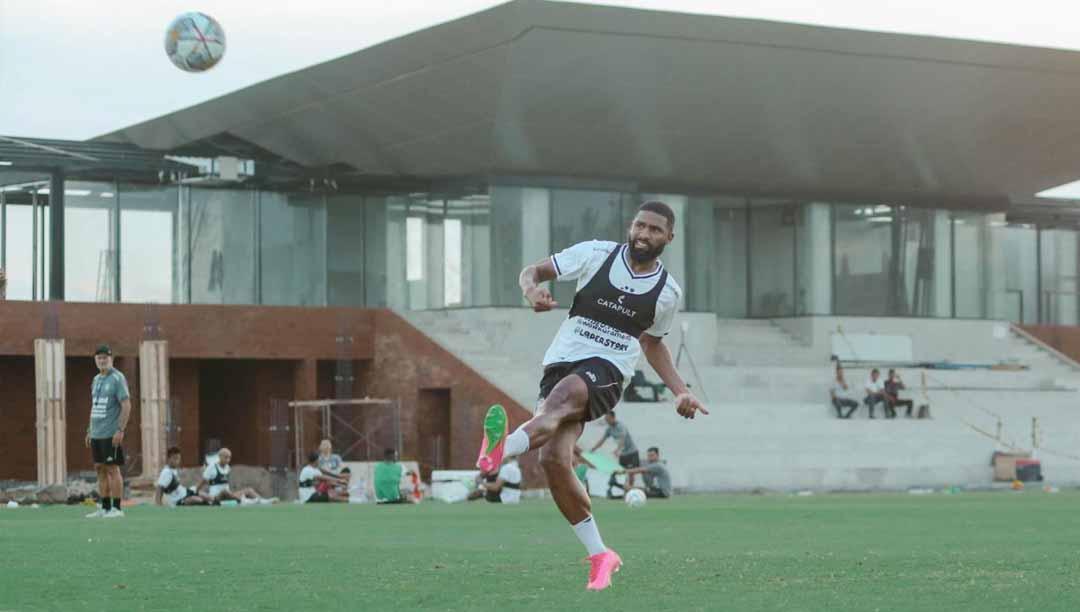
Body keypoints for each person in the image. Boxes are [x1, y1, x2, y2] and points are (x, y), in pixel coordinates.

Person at [474, 201, 707, 591]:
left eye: (654, 230)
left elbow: (653, 344)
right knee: (553, 460)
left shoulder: (667, 292)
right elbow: (532, 271)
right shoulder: (595, 254)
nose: (643, 234)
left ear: (669, 237)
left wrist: (681, 390)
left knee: (562, 400)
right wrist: (531, 290)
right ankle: (601, 554)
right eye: (639, 226)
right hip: (560, 361)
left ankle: (499, 450)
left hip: (609, 370)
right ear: (630, 227)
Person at [85, 344, 131, 519]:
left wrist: (120, 429)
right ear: (95, 360)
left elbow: (126, 404)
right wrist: (90, 429)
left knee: (112, 469)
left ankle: (117, 508)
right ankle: (104, 507)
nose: (102, 361)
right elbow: (94, 407)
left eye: (105, 358)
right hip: (97, 433)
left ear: (111, 359)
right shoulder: (96, 379)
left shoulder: (117, 378)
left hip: (111, 433)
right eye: (99, 358)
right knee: (100, 469)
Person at [589, 411, 641, 494]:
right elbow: (602, 440)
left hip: (632, 452)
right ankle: (625, 490)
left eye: (608, 419)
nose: (607, 421)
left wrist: (618, 450)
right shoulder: (609, 429)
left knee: (631, 472)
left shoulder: (621, 426)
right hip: (623, 454)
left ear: (613, 418)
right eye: (606, 419)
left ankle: (632, 490)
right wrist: (593, 449)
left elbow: (622, 438)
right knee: (621, 473)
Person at [201, 448, 270, 504]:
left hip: (228, 495)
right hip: (216, 497)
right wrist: (197, 492)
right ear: (220, 457)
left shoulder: (227, 468)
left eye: (229, 458)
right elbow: (203, 481)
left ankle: (263, 501)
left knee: (249, 490)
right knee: (224, 491)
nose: (228, 460)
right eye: (226, 457)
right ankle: (244, 501)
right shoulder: (212, 467)